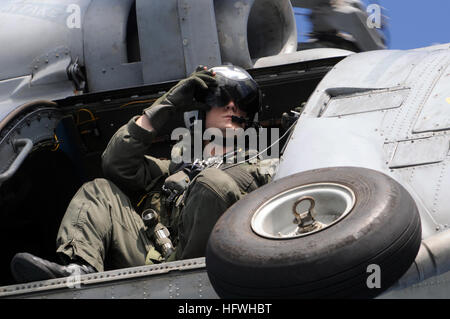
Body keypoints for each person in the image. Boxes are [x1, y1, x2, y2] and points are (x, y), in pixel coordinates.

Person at [10, 65, 279, 283]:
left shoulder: (265, 169)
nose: (232, 106)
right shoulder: (173, 169)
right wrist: (169, 103)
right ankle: (80, 271)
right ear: (202, 110)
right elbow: (116, 163)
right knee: (99, 190)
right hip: (154, 255)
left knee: (212, 182)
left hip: (216, 264)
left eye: (243, 100)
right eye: (220, 98)